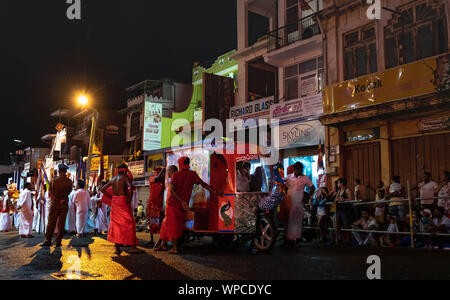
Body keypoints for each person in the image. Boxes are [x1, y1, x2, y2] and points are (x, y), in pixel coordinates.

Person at [156, 157, 217, 254]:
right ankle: (165, 245)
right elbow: (202, 183)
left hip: (174, 204)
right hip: (183, 206)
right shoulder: (192, 174)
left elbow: (172, 191)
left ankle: (175, 248)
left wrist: (181, 201)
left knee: (173, 226)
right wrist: (213, 191)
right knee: (178, 225)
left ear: (180, 164)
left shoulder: (176, 175)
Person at [100, 163, 142, 255]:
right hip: (123, 201)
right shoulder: (124, 178)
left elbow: (102, 189)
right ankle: (132, 247)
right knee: (129, 223)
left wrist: (111, 197)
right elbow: (130, 186)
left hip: (115, 201)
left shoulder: (113, 179)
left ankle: (117, 248)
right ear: (125, 170)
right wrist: (130, 198)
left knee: (116, 224)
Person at [283, 162, 315, 246]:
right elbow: (282, 185)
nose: (301, 171)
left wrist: (307, 198)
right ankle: (288, 240)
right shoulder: (288, 177)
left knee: (297, 222)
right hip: (289, 203)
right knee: (289, 222)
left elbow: (312, 187)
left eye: (301, 169)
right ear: (295, 170)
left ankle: (296, 240)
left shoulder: (305, 178)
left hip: (299, 203)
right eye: (299, 170)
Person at [41, 164, 73, 247]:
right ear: (65, 171)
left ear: (59, 171)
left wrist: (58, 199)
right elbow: (69, 192)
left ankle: (48, 240)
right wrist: (62, 199)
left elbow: (50, 194)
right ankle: (59, 241)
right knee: (61, 224)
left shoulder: (53, 181)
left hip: (55, 205)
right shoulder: (69, 181)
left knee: (51, 223)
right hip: (64, 204)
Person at [146, 168, 166, 247]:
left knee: (160, 222)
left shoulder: (164, 181)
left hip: (160, 204)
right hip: (151, 203)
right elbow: (157, 178)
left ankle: (161, 240)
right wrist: (163, 170)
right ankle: (151, 239)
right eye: (157, 172)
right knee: (151, 221)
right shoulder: (152, 178)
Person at [335, 178, 353, 244]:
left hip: (345, 210)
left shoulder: (347, 190)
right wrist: (338, 199)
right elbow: (335, 199)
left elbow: (351, 199)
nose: (337, 184)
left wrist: (344, 200)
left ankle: (347, 238)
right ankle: (342, 238)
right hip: (339, 209)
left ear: (342, 183)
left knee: (346, 224)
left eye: (338, 183)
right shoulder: (339, 191)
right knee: (338, 224)